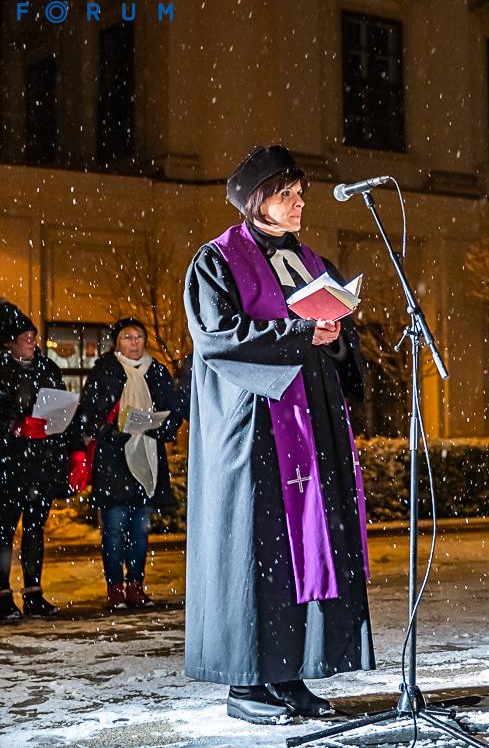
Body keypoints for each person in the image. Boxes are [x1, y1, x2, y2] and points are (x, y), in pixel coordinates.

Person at [183, 145, 372, 724]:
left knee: (299, 551)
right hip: (253, 430)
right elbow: (219, 338)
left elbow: (338, 341)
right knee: (255, 551)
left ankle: (291, 675)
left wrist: (334, 337)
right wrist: (296, 333)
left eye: (301, 194)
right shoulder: (216, 261)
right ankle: (246, 684)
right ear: (256, 200)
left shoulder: (312, 260)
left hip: (310, 424)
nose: (298, 204)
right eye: (286, 194)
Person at [74, 317, 186, 610]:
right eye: (127, 337)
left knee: (140, 528)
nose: (134, 342)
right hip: (113, 459)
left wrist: (161, 428)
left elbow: (174, 410)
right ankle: (115, 588)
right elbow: (87, 414)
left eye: (138, 336)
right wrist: (111, 432)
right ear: (116, 343)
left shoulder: (156, 370)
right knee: (114, 528)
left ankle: (135, 585)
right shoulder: (105, 370)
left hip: (148, 456)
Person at [0, 302, 80, 620]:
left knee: (35, 528)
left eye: (33, 335)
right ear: (8, 342)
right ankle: (3, 596)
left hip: (42, 463)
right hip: (9, 465)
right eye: (24, 336)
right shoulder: (3, 371)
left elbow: (65, 411)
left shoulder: (48, 369)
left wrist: (74, 449)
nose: (31, 340)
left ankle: (33, 593)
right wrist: (15, 427)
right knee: (4, 531)